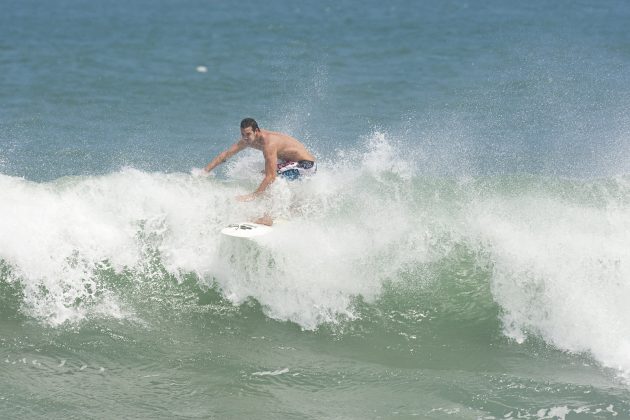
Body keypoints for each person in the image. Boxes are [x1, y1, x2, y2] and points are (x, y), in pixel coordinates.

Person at [203, 118, 317, 202]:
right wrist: (205, 171)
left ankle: (268, 217)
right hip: (292, 163)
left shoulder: (269, 144)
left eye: (248, 134)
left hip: (306, 166)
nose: (245, 138)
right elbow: (226, 154)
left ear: (256, 131)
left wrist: (253, 196)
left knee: (271, 178)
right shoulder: (248, 140)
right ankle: (292, 205)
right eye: (242, 134)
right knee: (265, 174)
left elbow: (271, 177)